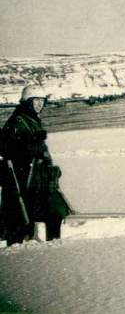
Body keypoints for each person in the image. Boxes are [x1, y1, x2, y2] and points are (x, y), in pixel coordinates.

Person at [0, 85, 72, 246]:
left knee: (53, 211)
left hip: (37, 176)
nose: (40, 104)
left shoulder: (31, 119)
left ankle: (52, 245)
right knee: (22, 218)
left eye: (42, 101)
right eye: (36, 101)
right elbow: (9, 148)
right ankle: (24, 250)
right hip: (23, 178)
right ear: (27, 102)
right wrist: (31, 146)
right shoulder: (19, 120)